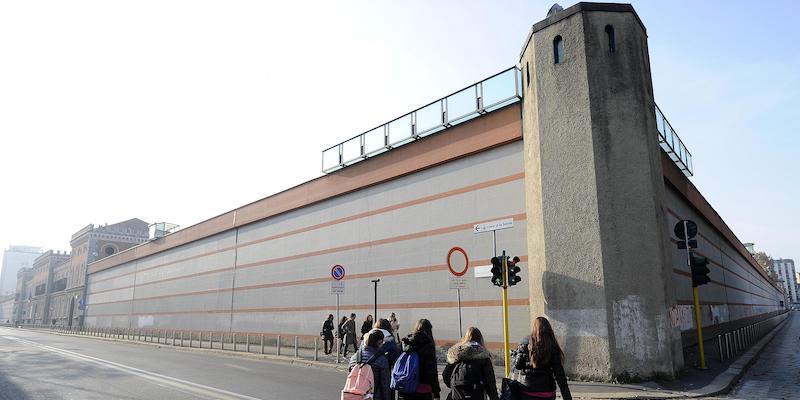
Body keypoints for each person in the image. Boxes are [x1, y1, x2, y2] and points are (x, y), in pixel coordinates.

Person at [512, 317, 572, 400]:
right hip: (547, 392)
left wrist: (516, 356)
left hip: (527, 390)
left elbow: (518, 366)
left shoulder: (525, 342)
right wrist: (567, 397)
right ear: (549, 329)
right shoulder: (552, 345)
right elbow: (559, 374)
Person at [442, 327, 499, 400]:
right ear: (480, 339)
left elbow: (445, 374)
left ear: (466, 337)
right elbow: (490, 383)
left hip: (457, 394)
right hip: (477, 395)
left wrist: (454, 386)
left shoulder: (456, 355)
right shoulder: (484, 356)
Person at [398, 319, 441, 400]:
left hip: (406, 386)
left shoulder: (405, 342)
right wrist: (436, 392)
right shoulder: (428, 345)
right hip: (423, 387)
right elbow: (431, 371)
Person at [349, 330, 391, 400]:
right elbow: (385, 385)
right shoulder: (382, 360)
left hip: (356, 395)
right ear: (380, 342)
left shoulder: (354, 357)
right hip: (374, 396)